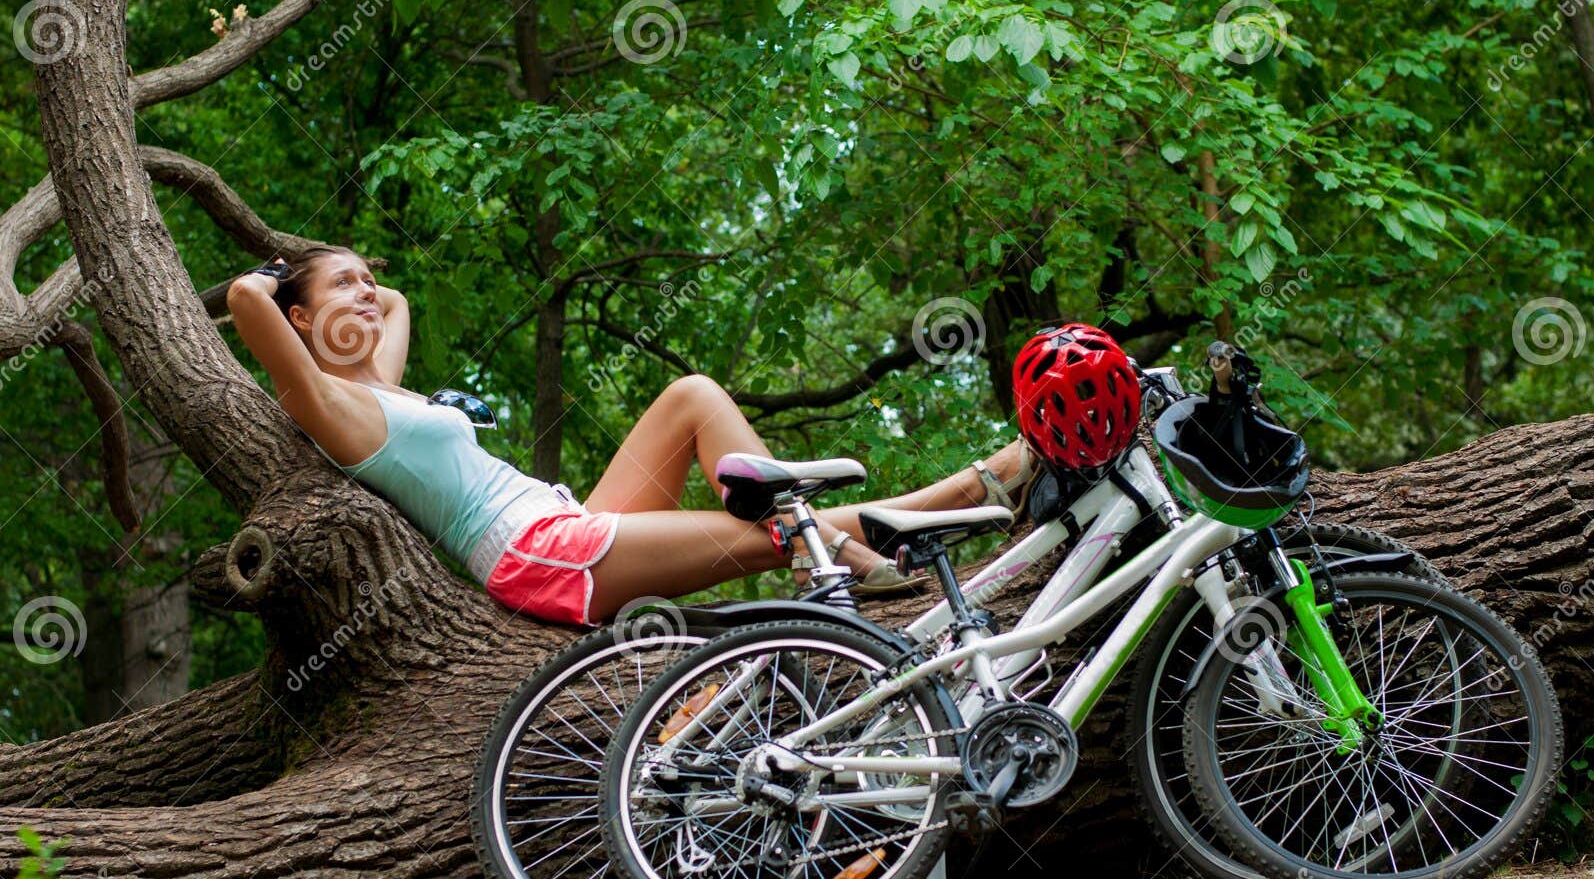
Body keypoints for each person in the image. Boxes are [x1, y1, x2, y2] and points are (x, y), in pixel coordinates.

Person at [226, 246, 1037, 625]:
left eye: (368, 278)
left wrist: (347, 282)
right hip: (531, 552)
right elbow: (243, 298)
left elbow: (398, 301)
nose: (369, 294)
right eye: (344, 285)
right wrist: (275, 273)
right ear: (299, 317)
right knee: (752, 533)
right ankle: (958, 494)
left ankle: (804, 523)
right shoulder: (329, 403)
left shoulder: (383, 389)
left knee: (692, 394)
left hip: (558, 520)